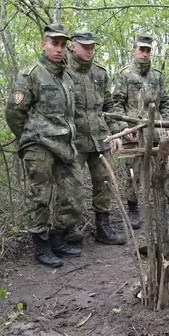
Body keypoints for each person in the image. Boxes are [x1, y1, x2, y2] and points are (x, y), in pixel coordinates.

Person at [5, 23, 84, 268]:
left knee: (72, 193)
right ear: (44, 44)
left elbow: (71, 113)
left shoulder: (68, 77)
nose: (58, 49)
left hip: (64, 144)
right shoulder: (31, 74)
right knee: (40, 196)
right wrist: (30, 137)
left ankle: (59, 239)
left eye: (62, 45)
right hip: (39, 145)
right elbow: (14, 113)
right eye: (54, 44)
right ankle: (41, 246)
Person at [111, 33, 169, 228]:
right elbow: (116, 103)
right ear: (134, 50)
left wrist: (167, 125)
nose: (144, 53)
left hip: (157, 130)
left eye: (148, 50)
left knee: (167, 170)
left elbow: (165, 102)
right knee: (133, 172)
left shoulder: (157, 76)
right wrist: (124, 127)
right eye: (141, 49)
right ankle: (134, 210)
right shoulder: (123, 75)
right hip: (134, 130)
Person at [66, 30, 125, 245]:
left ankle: (103, 228)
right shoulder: (63, 72)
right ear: (73, 46)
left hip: (100, 139)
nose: (89, 50)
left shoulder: (100, 73)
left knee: (104, 183)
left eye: (92, 46)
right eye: (84, 46)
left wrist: (115, 131)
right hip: (74, 141)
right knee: (71, 187)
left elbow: (108, 106)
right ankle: (68, 231)